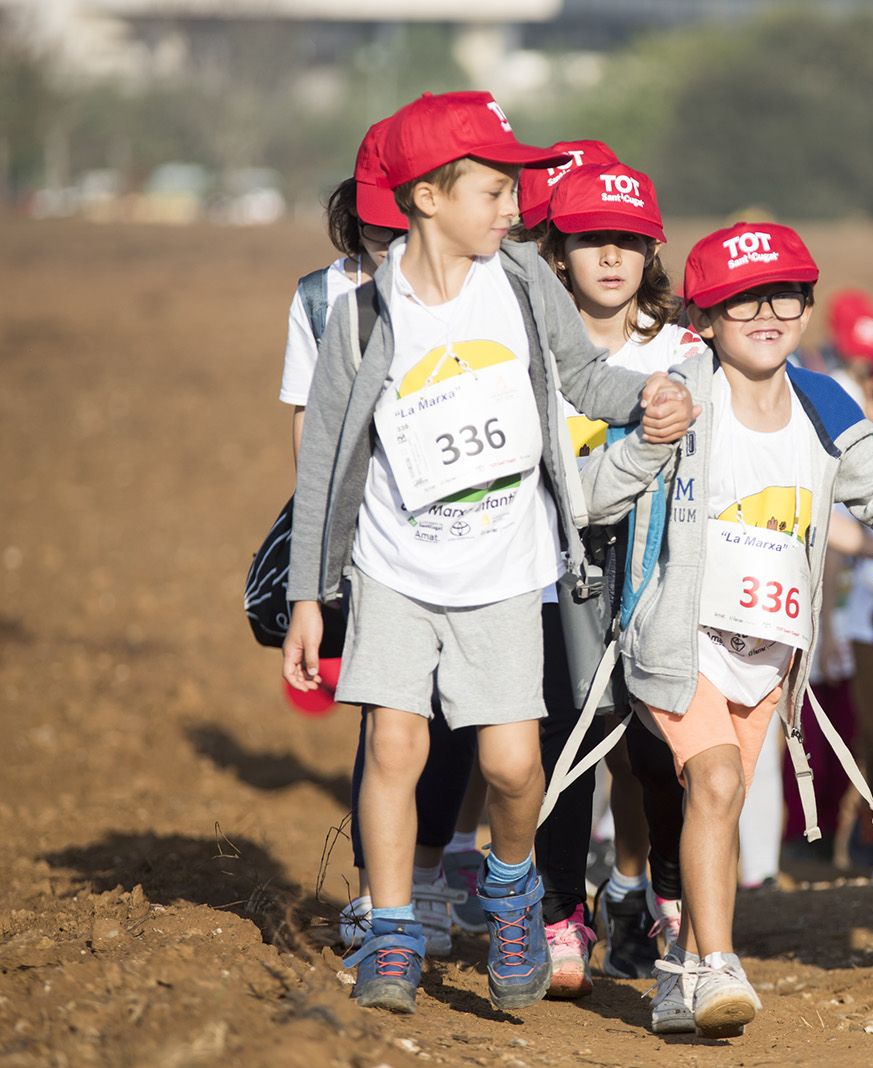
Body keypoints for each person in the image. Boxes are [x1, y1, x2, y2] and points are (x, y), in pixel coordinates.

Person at [282, 90, 695, 1017]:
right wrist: (312, 596)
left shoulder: (519, 283)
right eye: (496, 189)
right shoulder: (362, 316)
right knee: (395, 744)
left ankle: (510, 888)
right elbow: (325, 468)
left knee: (513, 765)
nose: (516, 207)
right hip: (395, 567)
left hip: (508, 567)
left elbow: (582, 374)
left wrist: (646, 398)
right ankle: (393, 930)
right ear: (429, 197)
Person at [578, 221, 873, 1037]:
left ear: (807, 307)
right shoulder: (678, 392)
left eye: (784, 295)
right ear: (705, 320)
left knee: (722, 798)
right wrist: (647, 446)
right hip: (678, 635)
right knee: (713, 782)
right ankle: (715, 966)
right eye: (743, 302)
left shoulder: (825, 404)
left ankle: (677, 969)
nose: (767, 313)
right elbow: (590, 498)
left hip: (767, 652)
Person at [275, 115, 484, 958]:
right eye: (369, 221)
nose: (383, 236)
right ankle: (384, 896)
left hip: (470, 532)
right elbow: (309, 428)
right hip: (373, 538)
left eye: (393, 219)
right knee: (390, 716)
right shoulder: (323, 297)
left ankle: (434, 869)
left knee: (462, 714)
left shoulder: (473, 280)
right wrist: (329, 540)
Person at [525, 159, 705, 995]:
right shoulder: (529, 344)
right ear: (556, 254)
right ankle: (562, 911)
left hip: (659, 566)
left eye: (628, 242)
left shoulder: (682, 349)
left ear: (651, 253)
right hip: (556, 567)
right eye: (591, 239)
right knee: (563, 736)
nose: (610, 257)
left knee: (654, 742)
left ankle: (660, 894)